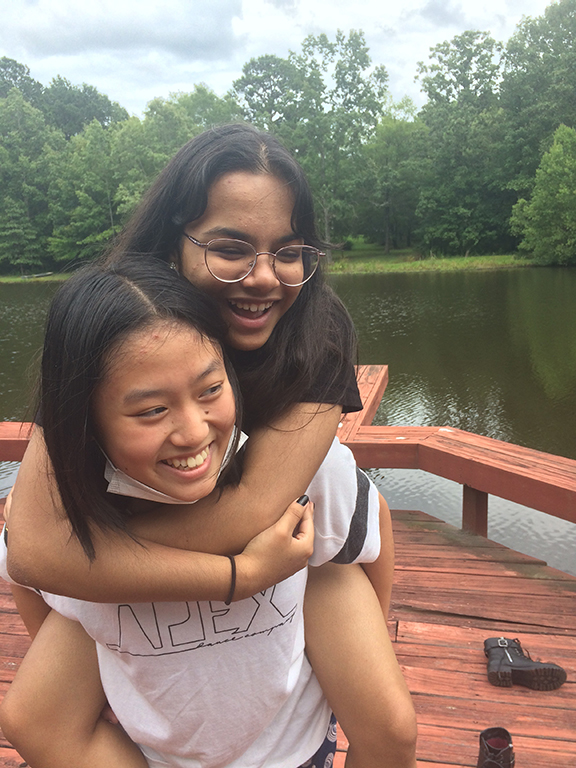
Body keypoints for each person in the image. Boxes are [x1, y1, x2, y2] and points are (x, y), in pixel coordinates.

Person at [4, 124, 417, 767]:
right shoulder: (109, 335)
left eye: (288, 250)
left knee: (389, 726)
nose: (262, 278)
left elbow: (270, 509)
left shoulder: (314, 332)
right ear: (174, 241)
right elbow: (30, 553)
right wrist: (116, 634)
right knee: (35, 718)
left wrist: (92, 568)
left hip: (277, 559)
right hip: (211, 577)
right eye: (229, 248)